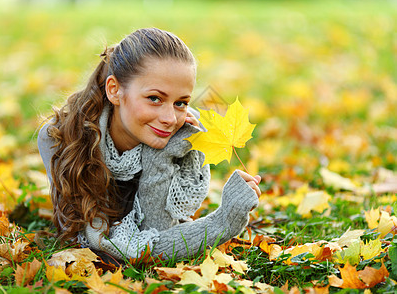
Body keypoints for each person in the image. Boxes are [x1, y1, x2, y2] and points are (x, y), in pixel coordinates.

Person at [37, 27, 261, 262]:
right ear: (114, 90)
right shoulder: (61, 139)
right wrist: (222, 222)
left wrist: (161, 156)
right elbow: (107, 246)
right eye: (155, 98)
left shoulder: (184, 136)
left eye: (181, 102)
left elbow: (160, 233)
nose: (169, 119)